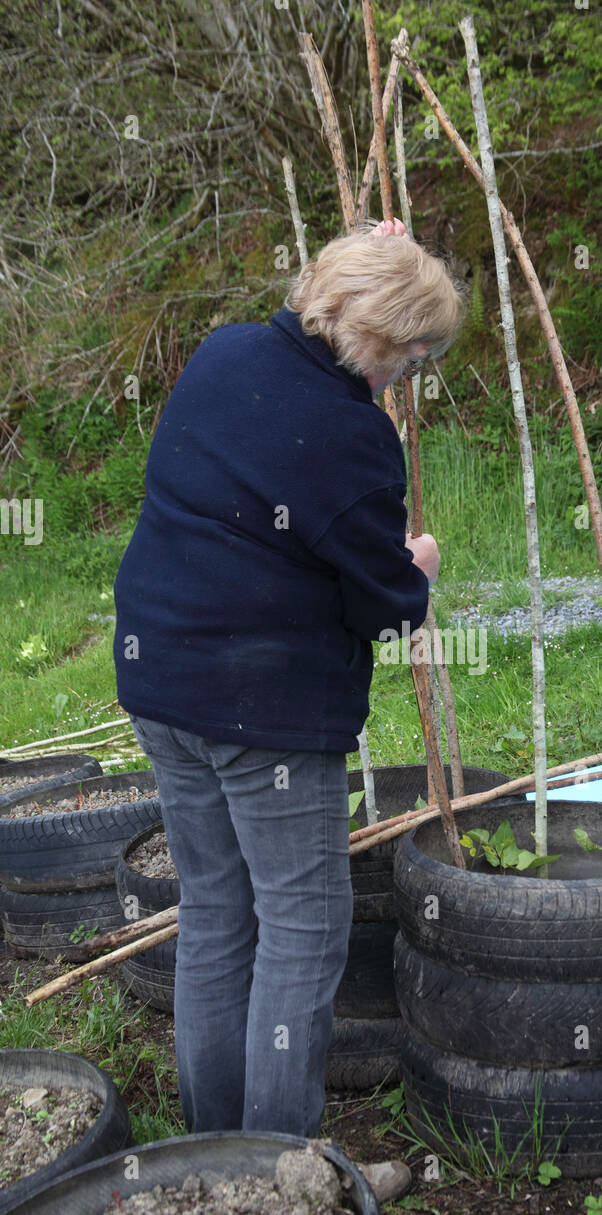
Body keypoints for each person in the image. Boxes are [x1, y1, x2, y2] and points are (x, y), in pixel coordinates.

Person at [112, 216, 465, 1137]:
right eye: (414, 357)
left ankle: (209, 1159)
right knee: (303, 928)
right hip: (262, 713)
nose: (409, 378)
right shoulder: (351, 437)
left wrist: (370, 254)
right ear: (383, 345)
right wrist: (415, 569)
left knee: (217, 913)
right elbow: (382, 610)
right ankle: (279, 1173)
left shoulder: (222, 355)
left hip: (162, 684)